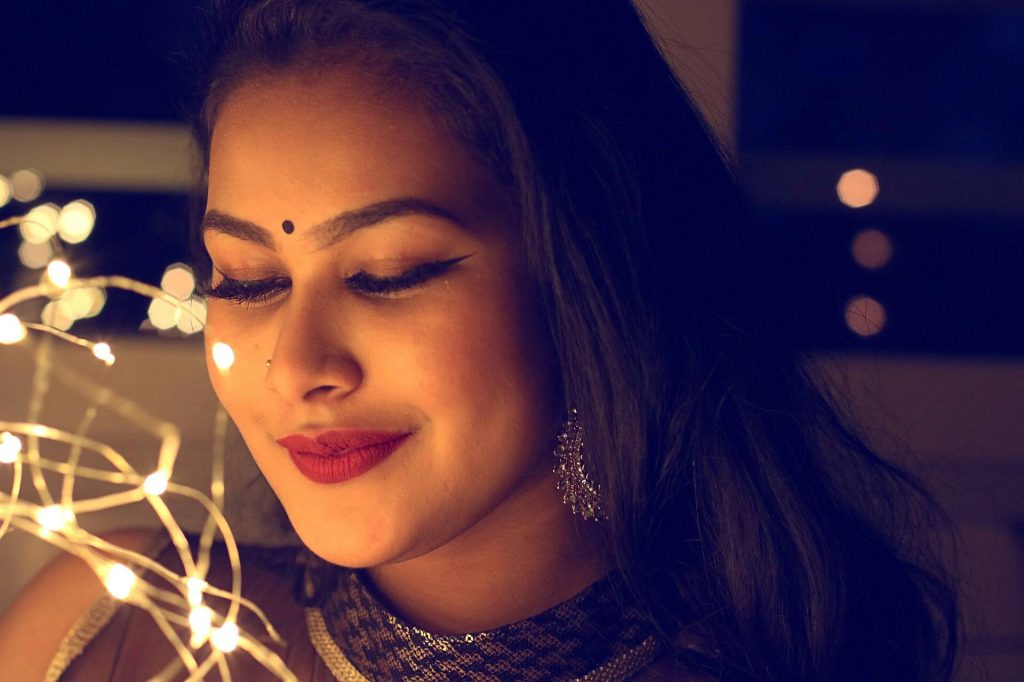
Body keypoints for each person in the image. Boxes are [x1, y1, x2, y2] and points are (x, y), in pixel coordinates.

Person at [0, 1, 961, 680]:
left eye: (387, 273)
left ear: (588, 280)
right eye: (247, 281)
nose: (296, 367)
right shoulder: (109, 624)